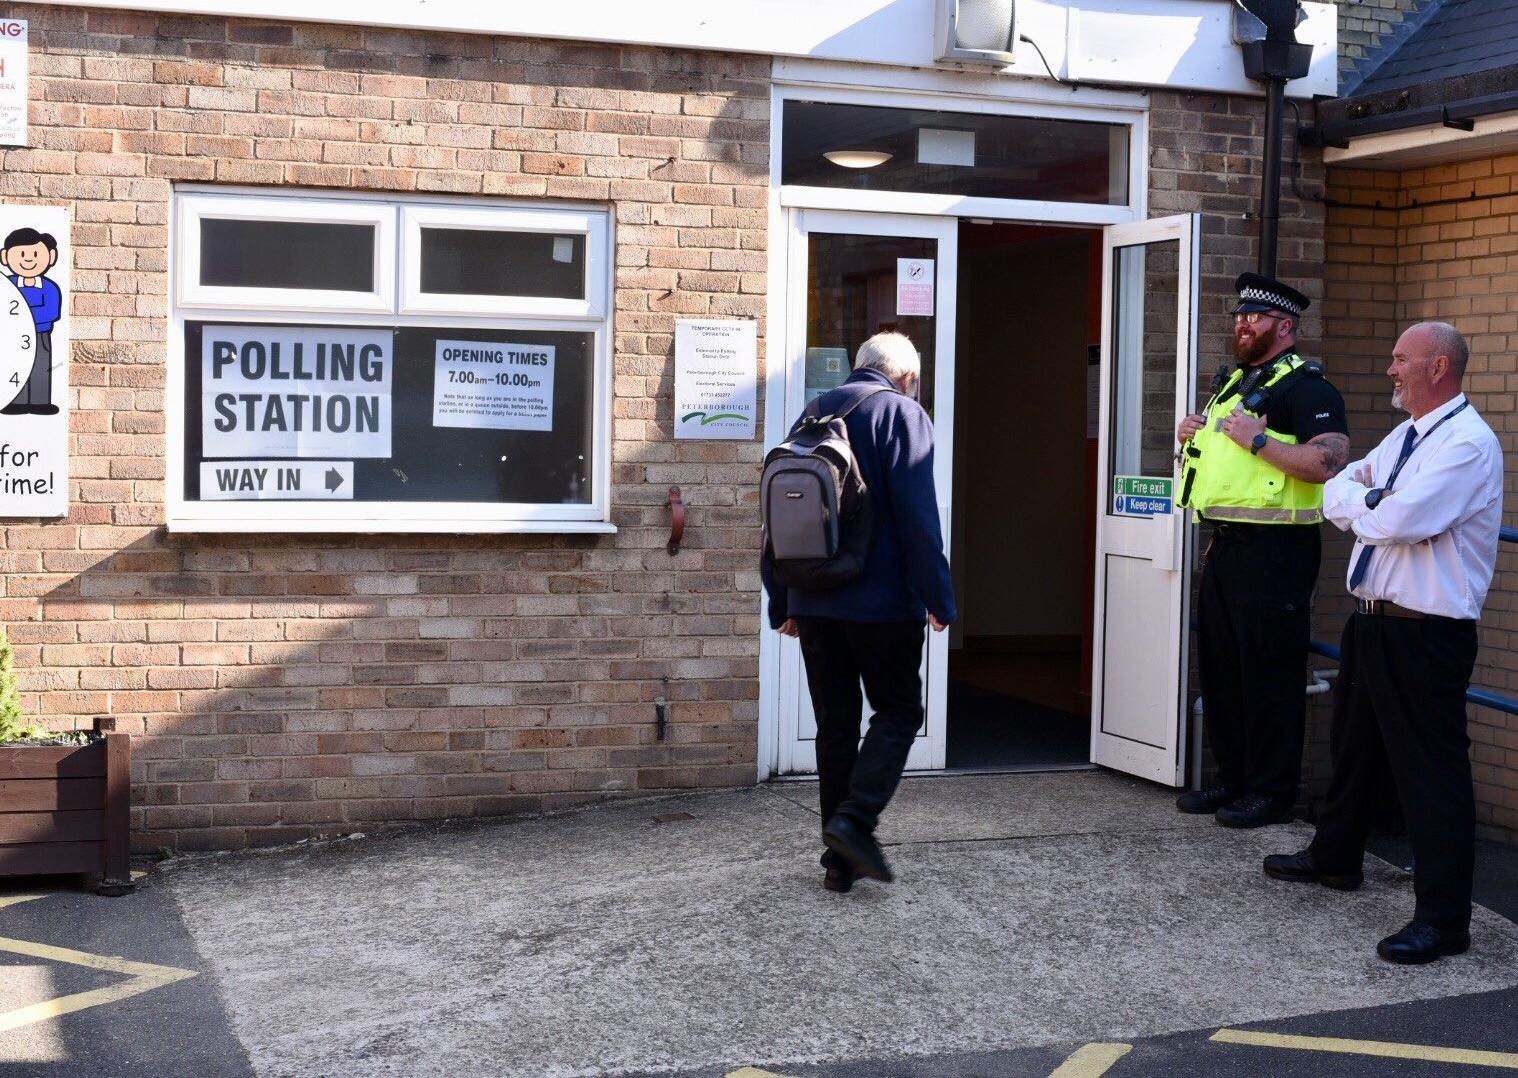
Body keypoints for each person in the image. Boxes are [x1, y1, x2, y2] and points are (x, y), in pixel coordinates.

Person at [1265, 321, 1502, 965]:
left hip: (1426, 633)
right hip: (1372, 620)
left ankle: (1443, 920)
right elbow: (1341, 485)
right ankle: (1336, 857)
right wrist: (1366, 497)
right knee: (1353, 747)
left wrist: (1366, 501)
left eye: (1402, 359)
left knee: (1431, 777)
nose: (1391, 370)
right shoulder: (1409, 434)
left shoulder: (1468, 445)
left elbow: (1396, 518)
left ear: (1438, 368)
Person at [761, 331, 956, 893]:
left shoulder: (813, 415)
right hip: (882, 606)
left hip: (813, 600)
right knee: (898, 713)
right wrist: (939, 598)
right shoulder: (903, 415)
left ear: (858, 368)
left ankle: (837, 862)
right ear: (907, 378)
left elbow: (776, 522)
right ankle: (855, 820)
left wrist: (783, 601)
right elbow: (921, 520)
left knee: (835, 727)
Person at [1175, 273, 1349, 827]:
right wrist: (1194, 432)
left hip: (1277, 553)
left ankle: (1272, 793)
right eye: (1239, 317)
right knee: (1223, 670)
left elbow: (1327, 463)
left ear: (1285, 326)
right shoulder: (1236, 384)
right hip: (1225, 546)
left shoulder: (1309, 389)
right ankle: (1232, 781)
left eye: (1255, 317)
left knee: (1270, 674)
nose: (1243, 324)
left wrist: (1255, 437)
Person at [0, 227, 63, 417]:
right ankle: (15, 401)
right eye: (21, 254)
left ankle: (39, 402)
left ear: (51, 257)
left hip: (40, 335)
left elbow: (50, 312)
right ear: (5, 257)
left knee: (41, 368)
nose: (29, 259)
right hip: (12, 336)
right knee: (14, 367)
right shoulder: (6, 284)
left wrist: (23, 315)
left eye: (36, 254)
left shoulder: (50, 287)